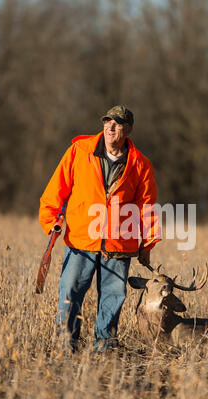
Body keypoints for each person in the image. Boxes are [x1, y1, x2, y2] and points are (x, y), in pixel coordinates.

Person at [39, 105, 161, 353]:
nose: (109, 127)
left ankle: (105, 348)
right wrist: (51, 220)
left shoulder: (140, 165)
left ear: (128, 129)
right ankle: (66, 344)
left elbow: (146, 207)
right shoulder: (79, 151)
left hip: (119, 243)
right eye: (107, 122)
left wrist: (147, 244)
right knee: (70, 293)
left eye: (116, 123)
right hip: (81, 240)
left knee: (113, 298)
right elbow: (55, 190)